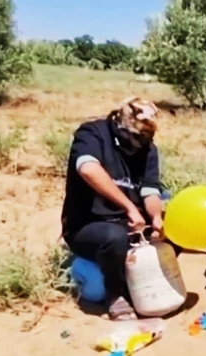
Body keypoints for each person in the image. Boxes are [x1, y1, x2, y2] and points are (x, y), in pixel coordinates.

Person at [61, 97, 181, 321]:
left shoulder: (147, 148)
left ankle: (149, 282)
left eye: (145, 139)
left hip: (130, 224)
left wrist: (155, 217)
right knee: (114, 238)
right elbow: (88, 169)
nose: (138, 145)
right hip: (88, 225)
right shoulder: (92, 134)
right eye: (135, 138)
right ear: (119, 124)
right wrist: (128, 207)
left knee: (177, 226)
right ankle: (115, 296)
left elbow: (150, 190)